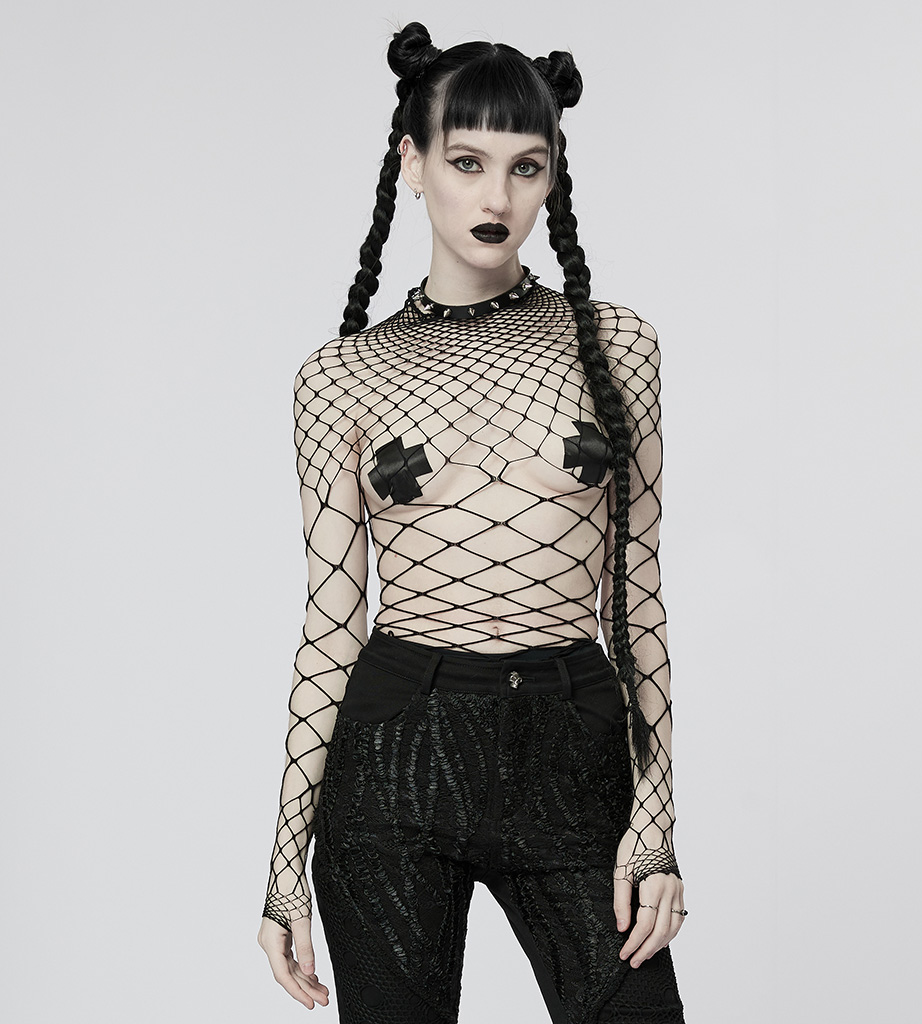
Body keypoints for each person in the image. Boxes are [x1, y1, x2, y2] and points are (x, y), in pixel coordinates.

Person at [257, 21, 688, 1024]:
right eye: (467, 163)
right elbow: (330, 625)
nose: (497, 198)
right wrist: (282, 863)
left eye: (525, 167)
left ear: (552, 177)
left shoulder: (616, 344)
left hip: (573, 742)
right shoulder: (339, 377)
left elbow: (639, 596)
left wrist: (657, 817)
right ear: (412, 164)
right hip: (395, 757)